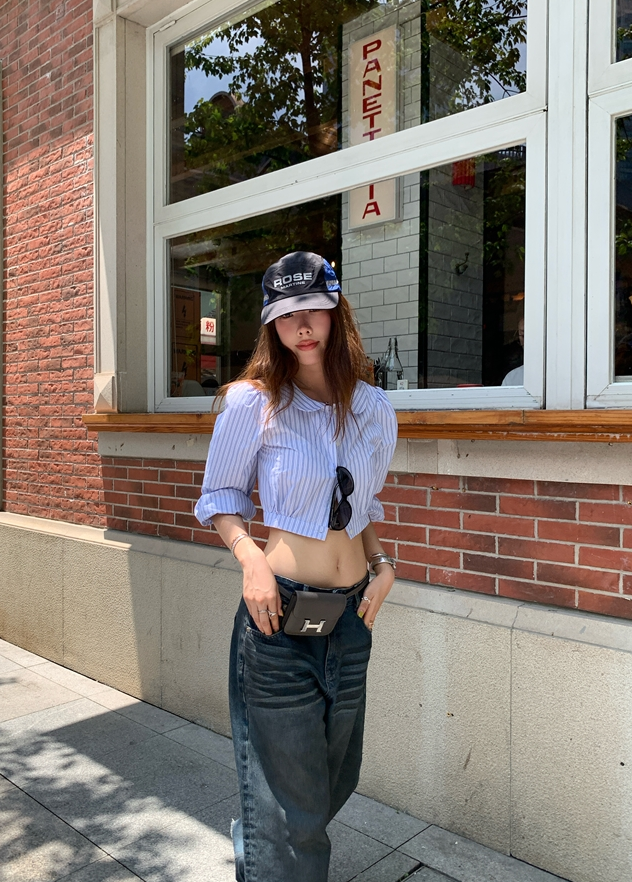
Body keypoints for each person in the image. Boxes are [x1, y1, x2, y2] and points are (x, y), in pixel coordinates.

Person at [194, 251, 398, 882]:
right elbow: (220, 498)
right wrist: (250, 559)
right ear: (271, 325)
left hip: (351, 618)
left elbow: (361, 506)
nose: (301, 326)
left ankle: (256, 844)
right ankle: (269, 848)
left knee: (335, 780)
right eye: (286, 315)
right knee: (294, 815)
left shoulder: (374, 408)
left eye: (313, 310)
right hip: (278, 615)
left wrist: (382, 564)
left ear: (337, 313)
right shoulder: (252, 403)